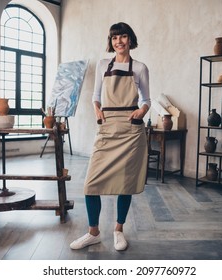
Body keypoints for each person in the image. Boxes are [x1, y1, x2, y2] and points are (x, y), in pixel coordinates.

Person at [70, 22, 151, 251]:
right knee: (91, 184)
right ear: (111, 41)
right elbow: (96, 95)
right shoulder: (104, 64)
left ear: (130, 39)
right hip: (107, 128)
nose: (119, 42)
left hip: (130, 131)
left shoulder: (140, 68)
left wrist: (142, 111)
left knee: (125, 184)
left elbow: (146, 99)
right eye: (115, 38)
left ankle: (118, 230)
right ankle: (93, 232)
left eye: (123, 37)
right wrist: (96, 108)